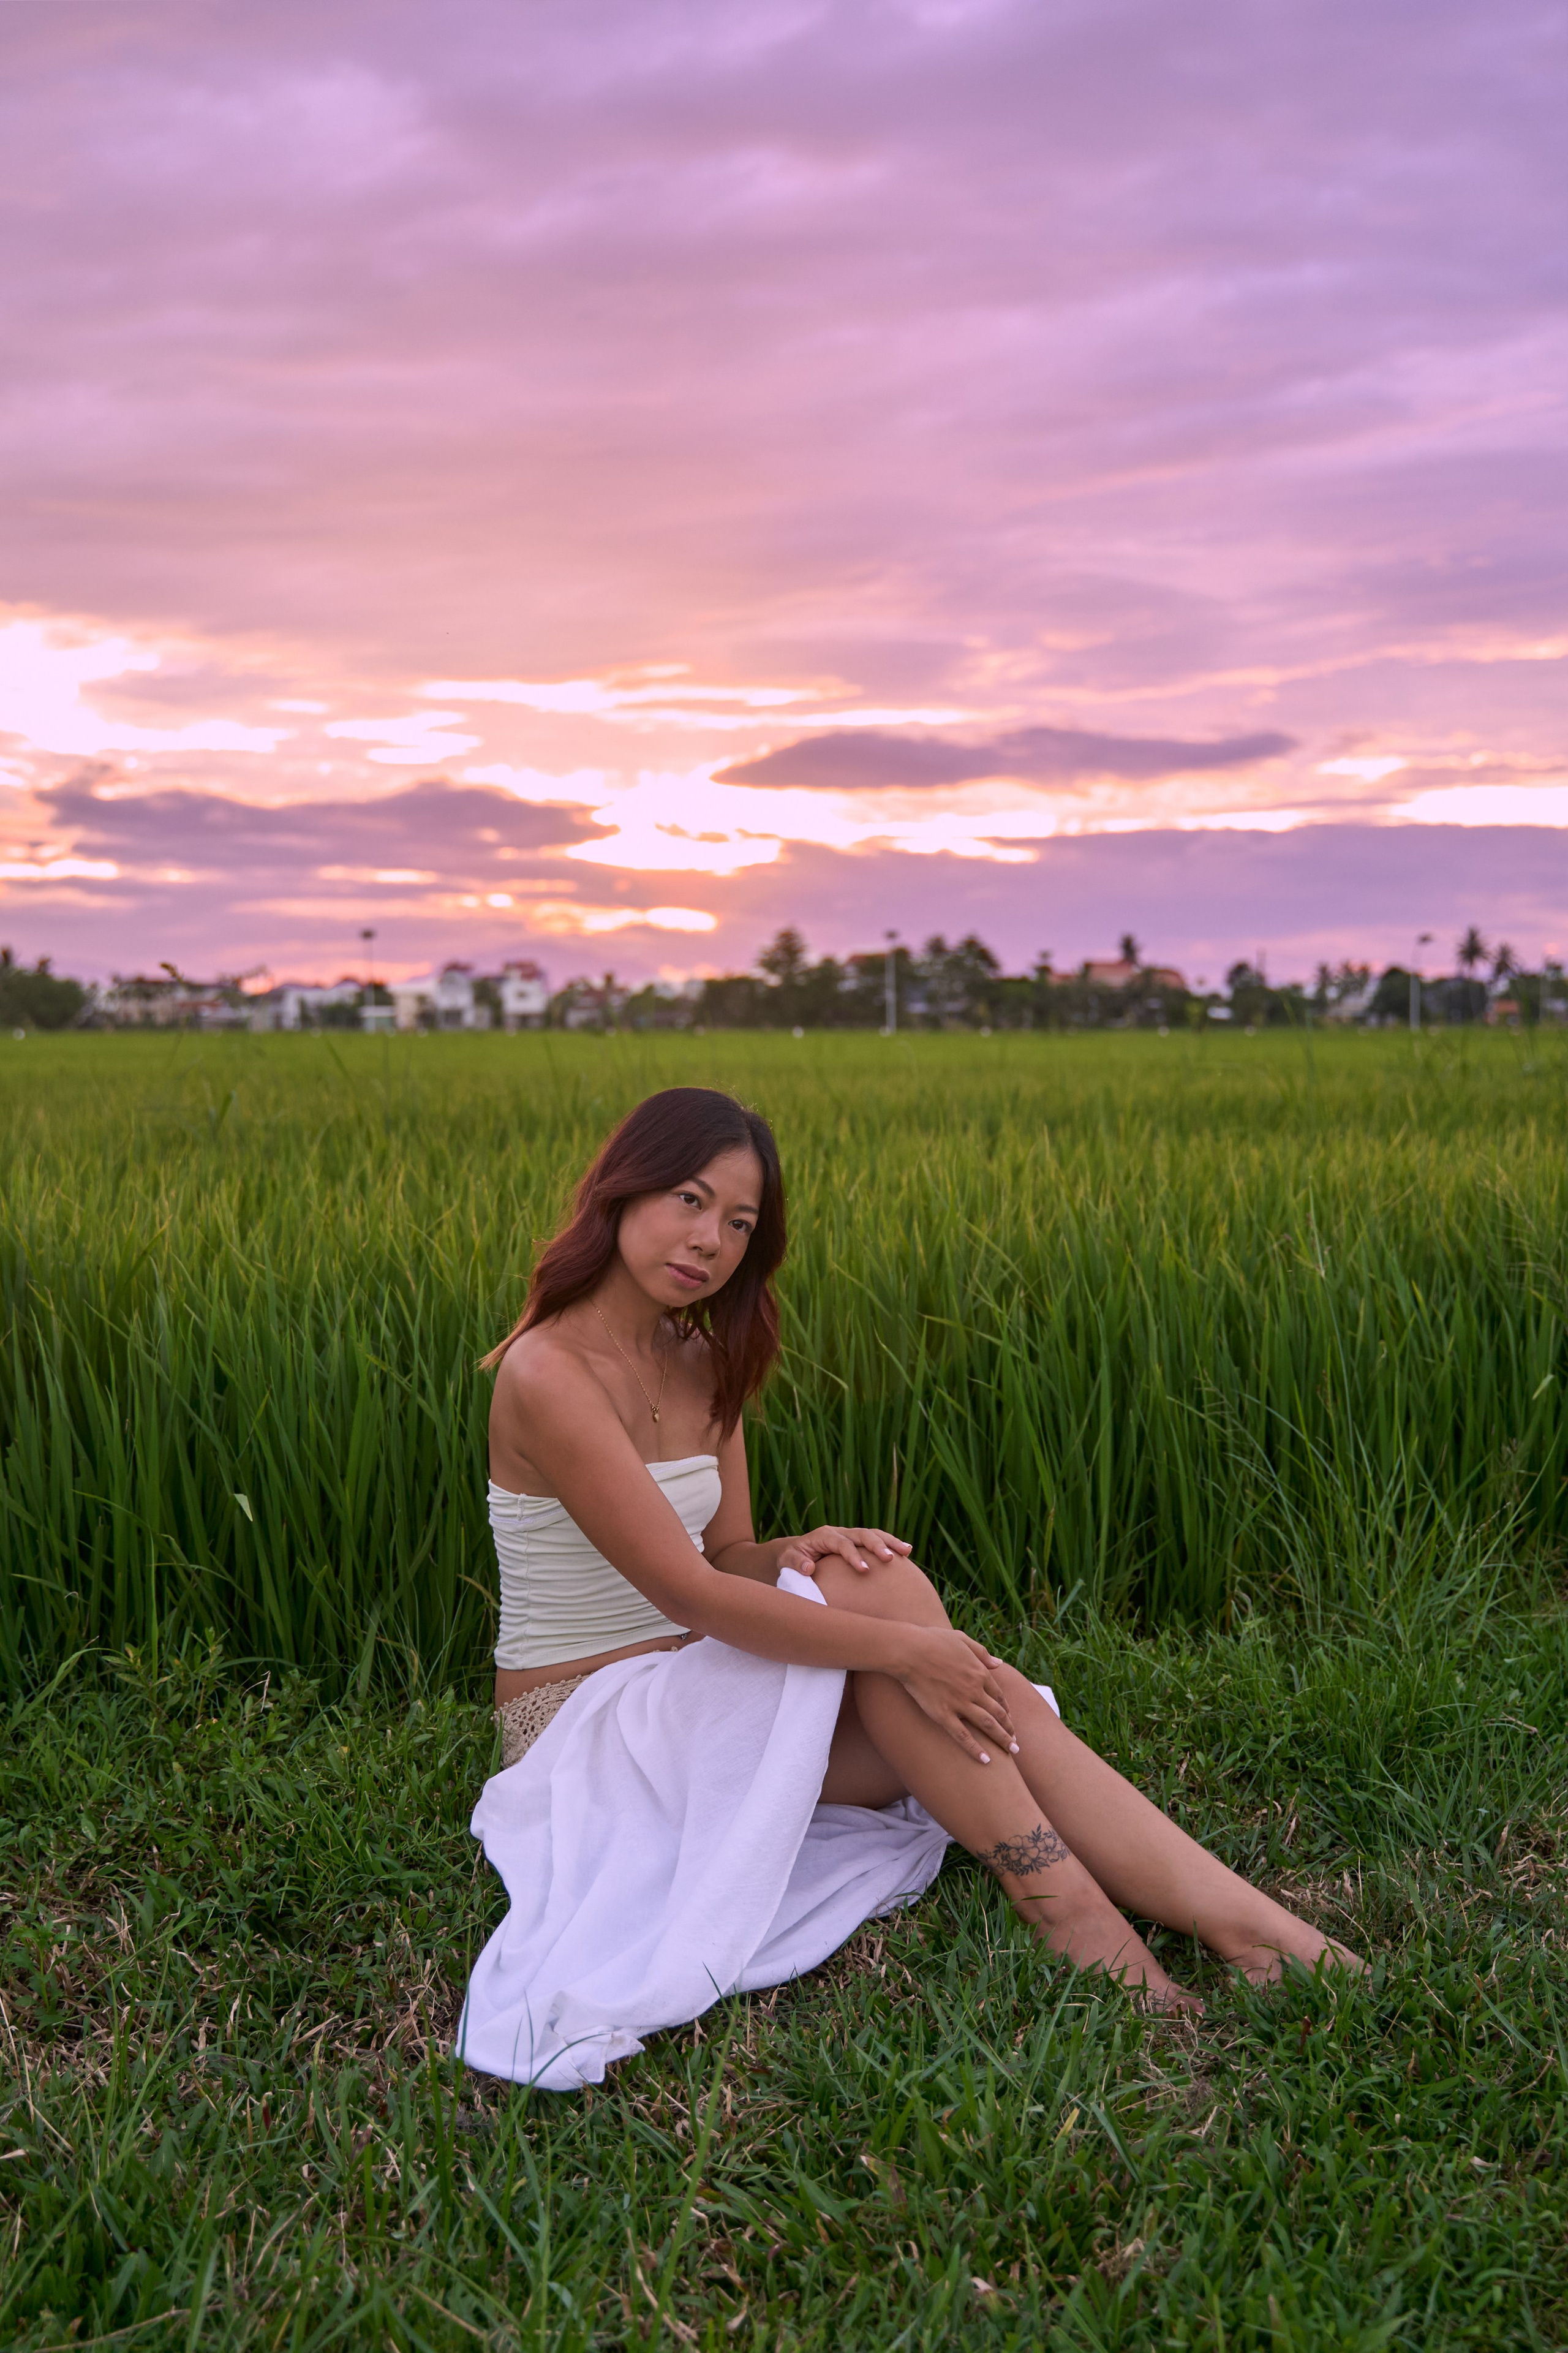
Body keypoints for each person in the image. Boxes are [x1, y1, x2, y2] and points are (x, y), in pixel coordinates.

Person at [457, 1087, 1360, 2088]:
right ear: (620, 1191)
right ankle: (1079, 1917)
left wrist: (803, 1549)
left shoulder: (703, 1357)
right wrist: (906, 1648)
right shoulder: (548, 1372)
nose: (709, 1239)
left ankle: (1249, 1924)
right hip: (581, 1728)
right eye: (688, 1198)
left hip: (691, 1697)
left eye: (740, 1223)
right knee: (910, 1644)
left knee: (877, 1585)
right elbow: (691, 1598)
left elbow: (728, 1557)